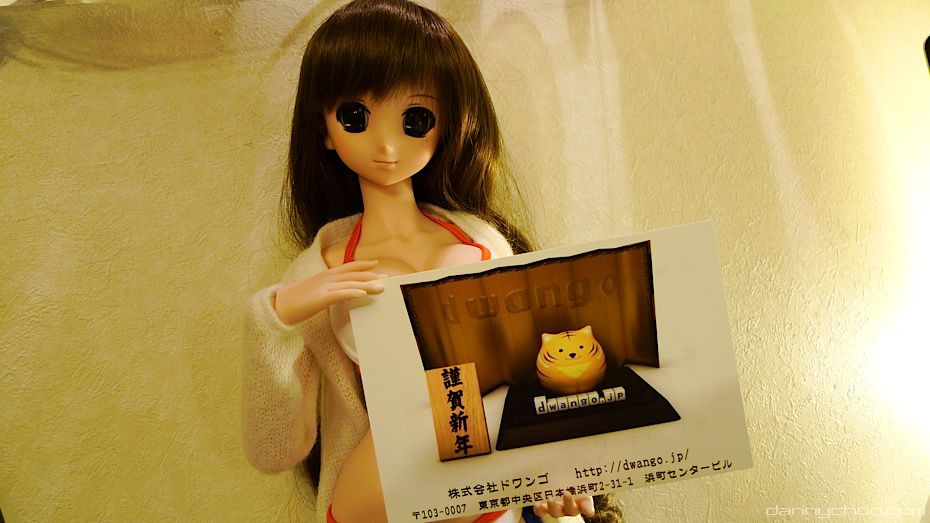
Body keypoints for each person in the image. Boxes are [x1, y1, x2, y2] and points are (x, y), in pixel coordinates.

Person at [242, 1, 620, 521]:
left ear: (447, 125)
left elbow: (528, 386)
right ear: (324, 130)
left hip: (487, 486)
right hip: (378, 494)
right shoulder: (318, 274)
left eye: (414, 120)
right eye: (355, 117)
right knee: (431, 405)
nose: (386, 145)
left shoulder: (483, 246)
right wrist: (276, 318)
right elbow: (274, 450)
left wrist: (554, 469)